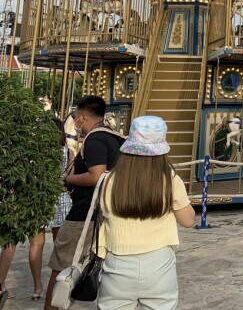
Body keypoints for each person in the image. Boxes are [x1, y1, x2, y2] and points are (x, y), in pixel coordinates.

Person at [98, 116, 195, 309]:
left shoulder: (108, 181)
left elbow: (103, 217)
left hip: (117, 262)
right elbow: (188, 220)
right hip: (158, 264)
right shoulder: (170, 180)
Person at [44, 95, 124, 310]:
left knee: (61, 265)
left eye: (76, 116)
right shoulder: (114, 137)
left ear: (82, 117)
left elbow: (96, 175)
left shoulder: (96, 139)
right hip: (104, 210)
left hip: (85, 212)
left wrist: (67, 179)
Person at [0, 118, 73, 303]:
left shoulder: (34, 153)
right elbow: (70, 178)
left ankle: (38, 287)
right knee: (61, 247)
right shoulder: (67, 151)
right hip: (62, 198)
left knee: (36, 245)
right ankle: (61, 287)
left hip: (39, 200)